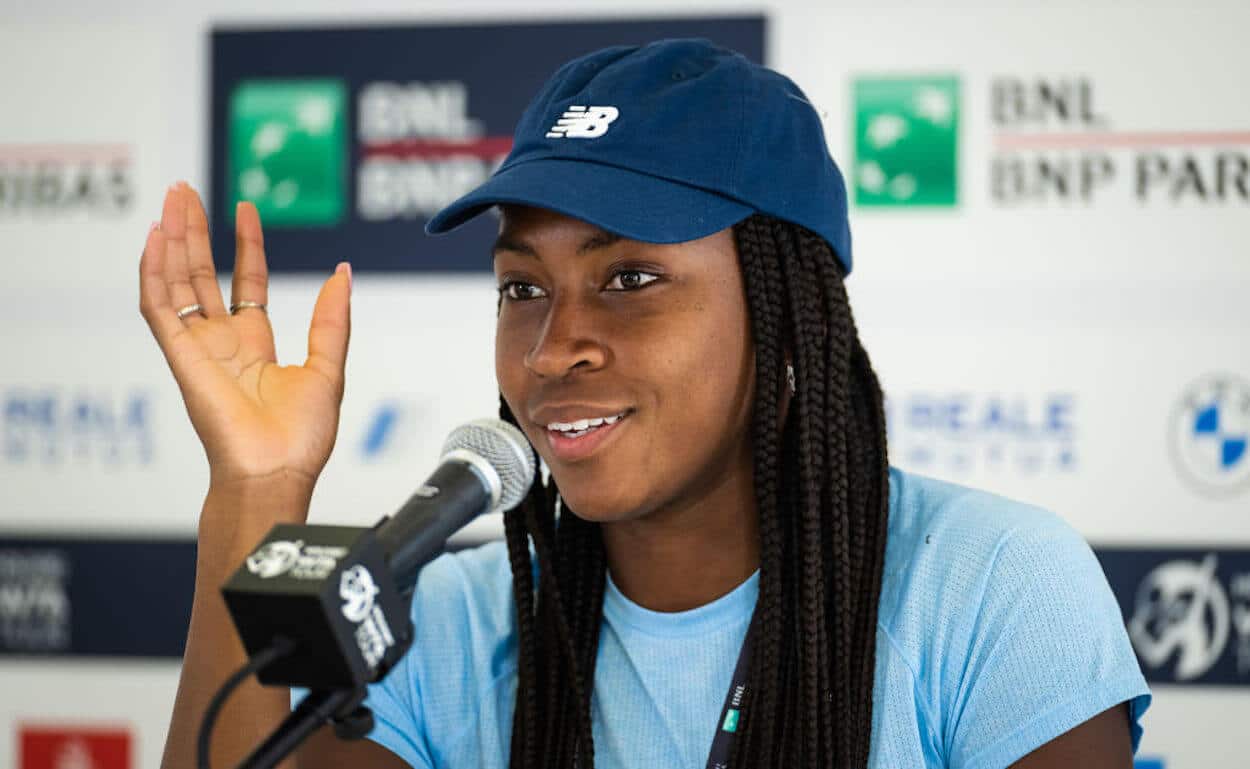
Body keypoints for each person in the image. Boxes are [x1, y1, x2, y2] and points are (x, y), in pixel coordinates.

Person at [145, 39, 1150, 769]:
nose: (552, 347)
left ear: (784, 312)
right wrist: (257, 481)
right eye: (520, 287)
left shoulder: (988, 585)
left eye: (629, 278)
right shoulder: (440, 623)